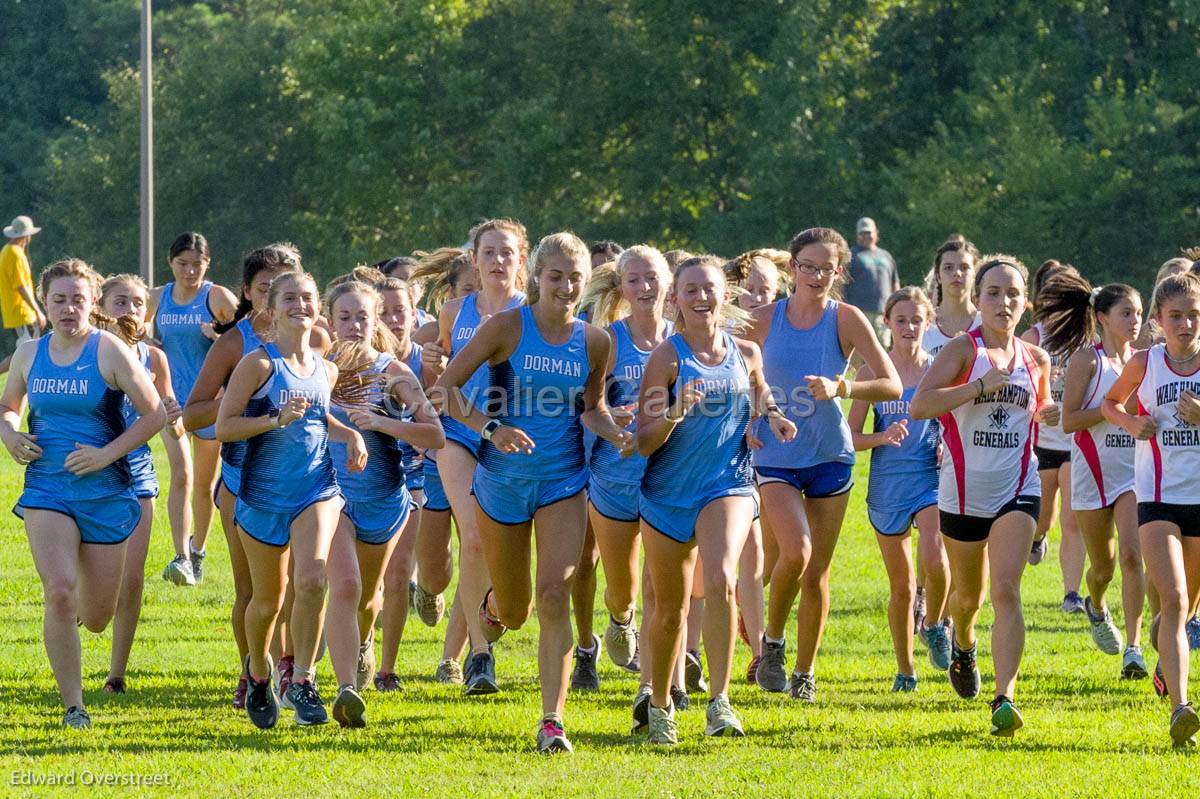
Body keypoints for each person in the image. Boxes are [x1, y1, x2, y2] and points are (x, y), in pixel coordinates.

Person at [437, 231, 631, 753]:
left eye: (574, 279)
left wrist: (617, 432)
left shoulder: (595, 340)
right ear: (537, 278)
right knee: (518, 609)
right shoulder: (505, 327)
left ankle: (552, 723)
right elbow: (447, 389)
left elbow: (593, 408)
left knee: (553, 597)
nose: (566, 287)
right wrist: (489, 429)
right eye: (555, 277)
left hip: (563, 482)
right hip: (501, 481)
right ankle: (494, 607)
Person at [636, 255, 797, 745]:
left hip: (726, 483)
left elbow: (759, 387)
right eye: (691, 290)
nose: (702, 297)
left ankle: (720, 702)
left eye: (709, 288)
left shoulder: (745, 350)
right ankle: (660, 703)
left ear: (725, 295)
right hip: (667, 493)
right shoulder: (667, 357)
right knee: (669, 610)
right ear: (676, 300)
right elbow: (643, 441)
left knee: (723, 580)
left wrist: (773, 415)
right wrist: (674, 413)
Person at [0, 258, 166, 728]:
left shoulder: (110, 350)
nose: (68, 308)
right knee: (58, 593)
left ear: (93, 302)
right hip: (47, 489)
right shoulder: (31, 353)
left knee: (96, 617)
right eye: (59, 299)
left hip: (107, 493)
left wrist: (106, 455)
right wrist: (11, 436)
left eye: (77, 299)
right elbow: (7, 406)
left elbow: (155, 415)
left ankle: (78, 610)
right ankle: (74, 706)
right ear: (44, 303)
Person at [746, 227, 901, 702]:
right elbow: (736, 373)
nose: (816, 275)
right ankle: (772, 642)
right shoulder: (763, 319)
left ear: (839, 272)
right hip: (775, 456)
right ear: (792, 268)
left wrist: (843, 387)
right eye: (807, 266)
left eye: (826, 268)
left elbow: (892, 385)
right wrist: (754, 416)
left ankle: (805, 672)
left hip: (831, 456)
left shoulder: (847, 319)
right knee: (796, 553)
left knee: (817, 573)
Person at [911, 255, 1058, 737]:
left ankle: (1005, 697)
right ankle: (963, 645)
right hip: (961, 493)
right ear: (977, 301)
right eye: (993, 293)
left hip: (1018, 488)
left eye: (1013, 294)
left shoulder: (1036, 359)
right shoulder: (960, 350)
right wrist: (976, 386)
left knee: (1007, 590)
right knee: (968, 598)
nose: (1003, 302)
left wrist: (1051, 411)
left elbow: (1042, 407)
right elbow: (920, 405)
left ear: (1025, 305)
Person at [215, 270, 366, 730]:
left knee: (313, 581)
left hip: (315, 488)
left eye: (307, 297)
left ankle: (302, 679)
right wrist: (272, 420)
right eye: (290, 298)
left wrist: (352, 434)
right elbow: (225, 427)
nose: (300, 304)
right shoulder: (258, 365)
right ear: (271, 309)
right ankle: (258, 673)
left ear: (317, 307)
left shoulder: (326, 367)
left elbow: (318, 421)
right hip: (262, 494)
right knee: (267, 601)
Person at [183, 242, 317, 708]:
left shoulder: (313, 341)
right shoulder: (235, 344)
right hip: (243, 483)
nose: (278, 296)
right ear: (248, 291)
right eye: (265, 288)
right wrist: (249, 399)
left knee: (305, 582)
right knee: (257, 591)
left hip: (304, 482)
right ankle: (251, 671)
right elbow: (193, 415)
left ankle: (293, 668)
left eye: (289, 287)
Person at [323, 279, 443, 725]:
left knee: (367, 596)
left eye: (363, 318)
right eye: (345, 317)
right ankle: (344, 689)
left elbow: (435, 435)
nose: (354, 326)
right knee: (346, 586)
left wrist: (381, 423)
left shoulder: (394, 371)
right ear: (329, 321)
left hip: (383, 499)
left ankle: (364, 642)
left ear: (376, 323)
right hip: (329, 496)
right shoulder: (317, 369)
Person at [419, 222, 527, 696]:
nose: (497, 261)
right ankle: (480, 658)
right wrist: (430, 365)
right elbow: (443, 369)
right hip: (460, 432)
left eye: (507, 253)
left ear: (521, 260)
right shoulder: (455, 310)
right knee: (476, 539)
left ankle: (491, 611)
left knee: (507, 549)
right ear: (475, 259)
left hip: (515, 438)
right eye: (489, 252)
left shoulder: (532, 312)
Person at [578, 247, 679, 719]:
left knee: (664, 587)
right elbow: (588, 410)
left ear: (668, 283)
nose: (644, 288)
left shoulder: (684, 342)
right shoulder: (607, 342)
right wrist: (617, 427)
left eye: (652, 278)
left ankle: (649, 689)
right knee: (624, 590)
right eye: (634, 280)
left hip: (669, 479)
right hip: (615, 477)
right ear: (621, 288)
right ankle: (620, 618)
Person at [1101, 272, 1200, 747]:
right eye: (1176, 316)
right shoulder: (1146, 362)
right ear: (1158, 321)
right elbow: (1109, 403)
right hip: (1157, 499)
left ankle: (1165, 653)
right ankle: (1182, 708)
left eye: (1193, 315)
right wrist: (1132, 422)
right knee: (1176, 600)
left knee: (1181, 611)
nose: (1186, 324)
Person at [1041, 274, 1148, 678]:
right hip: (1091, 475)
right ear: (1102, 317)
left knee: (1133, 556)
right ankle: (1097, 605)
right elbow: (1068, 422)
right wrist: (1110, 410)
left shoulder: (1141, 361)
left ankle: (1134, 650)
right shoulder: (1089, 360)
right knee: (1102, 569)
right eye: (1126, 313)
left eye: (1139, 313)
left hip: (1132, 474)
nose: (1135, 321)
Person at [848, 287, 950, 691]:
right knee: (902, 586)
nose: (909, 327)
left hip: (930, 478)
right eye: (901, 320)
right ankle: (905, 669)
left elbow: (956, 421)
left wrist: (946, 442)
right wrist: (882, 437)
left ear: (929, 323)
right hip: (888, 488)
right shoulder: (872, 373)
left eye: (917, 320)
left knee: (937, 558)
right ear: (887, 324)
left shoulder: (939, 370)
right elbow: (850, 436)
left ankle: (935, 624)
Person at [97, 274, 186, 695]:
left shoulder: (154, 358)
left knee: (131, 579)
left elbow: (170, 418)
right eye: (120, 302)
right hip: (89, 472)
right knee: (93, 583)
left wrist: (175, 417)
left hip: (136, 473)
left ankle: (117, 673)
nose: (128, 310)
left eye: (136, 303)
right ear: (101, 306)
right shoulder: (87, 352)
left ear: (146, 313)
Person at [408, 247, 481, 685]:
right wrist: (432, 366)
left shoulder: (516, 314)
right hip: (446, 439)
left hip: (490, 436)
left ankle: (459, 657)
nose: (479, 294)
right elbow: (427, 388)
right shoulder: (443, 327)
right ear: (451, 296)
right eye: (468, 288)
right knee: (436, 565)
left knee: (476, 541)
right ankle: (430, 589)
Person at [151, 232, 238, 585]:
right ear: (170, 263)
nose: (189, 271)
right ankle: (180, 556)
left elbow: (244, 340)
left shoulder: (216, 297)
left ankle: (197, 551)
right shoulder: (158, 297)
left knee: (203, 484)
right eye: (182, 264)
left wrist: (218, 335)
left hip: (209, 404)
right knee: (182, 475)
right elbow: (133, 326)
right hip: (171, 403)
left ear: (208, 264)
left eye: (197, 264)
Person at [1023, 262, 1086, 615]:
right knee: (1044, 516)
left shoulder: (1087, 337)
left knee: (1073, 518)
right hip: (1042, 441)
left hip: (1076, 441)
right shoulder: (1032, 340)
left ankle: (1072, 594)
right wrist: (1038, 409)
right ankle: (1037, 537)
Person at [845, 217, 900, 346]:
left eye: (869, 232)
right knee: (857, 352)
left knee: (883, 350)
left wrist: (897, 307)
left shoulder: (886, 256)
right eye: (862, 233)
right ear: (857, 235)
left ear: (876, 233)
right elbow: (841, 285)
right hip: (859, 315)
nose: (866, 236)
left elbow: (895, 283)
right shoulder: (851, 256)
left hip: (882, 314)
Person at [0, 215, 47, 356]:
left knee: (29, 352)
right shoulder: (15, 254)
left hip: (19, 313)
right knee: (25, 353)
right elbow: (21, 287)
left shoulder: (7, 251)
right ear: (27, 236)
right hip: (20, 313)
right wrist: (38, 311)